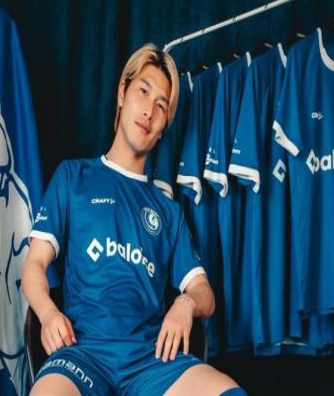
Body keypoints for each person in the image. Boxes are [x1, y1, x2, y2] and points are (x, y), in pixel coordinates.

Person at [22, 44, 246, 395]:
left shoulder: (167, 211)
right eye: (143, 91)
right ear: (122, 93)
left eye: (161, 105)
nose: (149, 111)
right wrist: (48, 314)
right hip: (82, 354)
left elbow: (205, 294)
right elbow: (34, 264)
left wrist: (185, 304)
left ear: (164, 127)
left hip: (151, 361)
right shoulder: (73, 177)